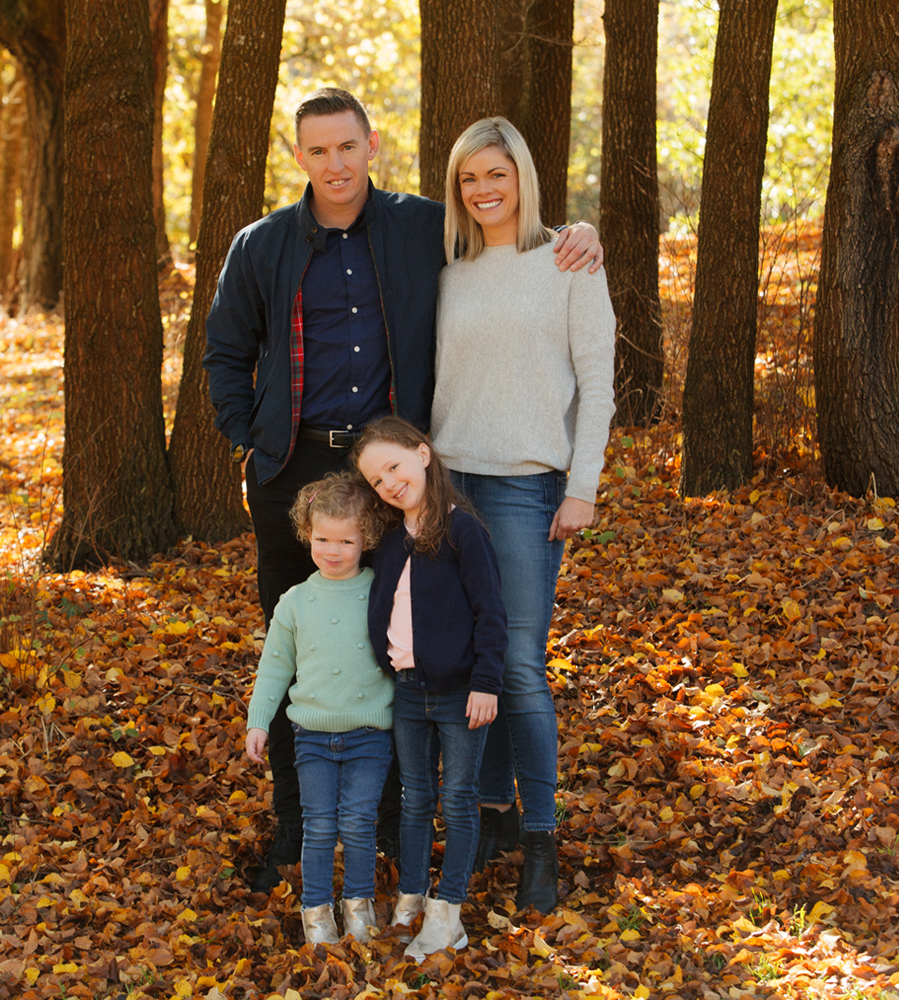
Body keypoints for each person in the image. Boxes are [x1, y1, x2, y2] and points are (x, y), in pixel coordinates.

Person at [203, 86, 602, 892]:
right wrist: (252, 438)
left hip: (392, 479)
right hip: (293, 473)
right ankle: (294, 821)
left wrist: (579, 235)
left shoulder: (422, 228)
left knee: (398, 643)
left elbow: (506, 232)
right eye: (317, 150)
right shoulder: (262, 245)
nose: (334, 163)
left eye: (347, 147)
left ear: (371, 145)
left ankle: (396, 818)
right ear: (299, 156)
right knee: (302, 642)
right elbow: (223, 354)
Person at [431, 117, 616, 914]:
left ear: (523, 176)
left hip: (525, 486)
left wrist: (584, 485)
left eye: (496, 174)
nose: (484, 190)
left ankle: (541, 837)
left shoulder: (568, 260)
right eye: (469, 178)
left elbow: (599, 383)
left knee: (518, 667)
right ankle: (494, 818)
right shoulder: (445, 268)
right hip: (449, 485)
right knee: (473, 660)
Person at [353, 416, 506, 962]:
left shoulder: (462, 530)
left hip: (462, 691)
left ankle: (448, 913)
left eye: (393, 466)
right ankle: (412, 900)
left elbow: (491, 612)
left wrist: (487, 682)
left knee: (458, 799)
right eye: (376, 480)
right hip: (409, 692)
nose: (389, 483)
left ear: (423, 454)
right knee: (414, 798)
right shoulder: (392, 543)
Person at [243, 473, 393, 946]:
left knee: (358, 821)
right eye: (322, 538)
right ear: (307, 534)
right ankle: (315, 911)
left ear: (366, 538)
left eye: (346, 540)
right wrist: (258, 721)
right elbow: (273, 668)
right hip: (311, 736)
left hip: (370, 732)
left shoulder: (381, 593)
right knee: (319, 824)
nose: (333, 550)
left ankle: (358, 903)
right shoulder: (294, 602)